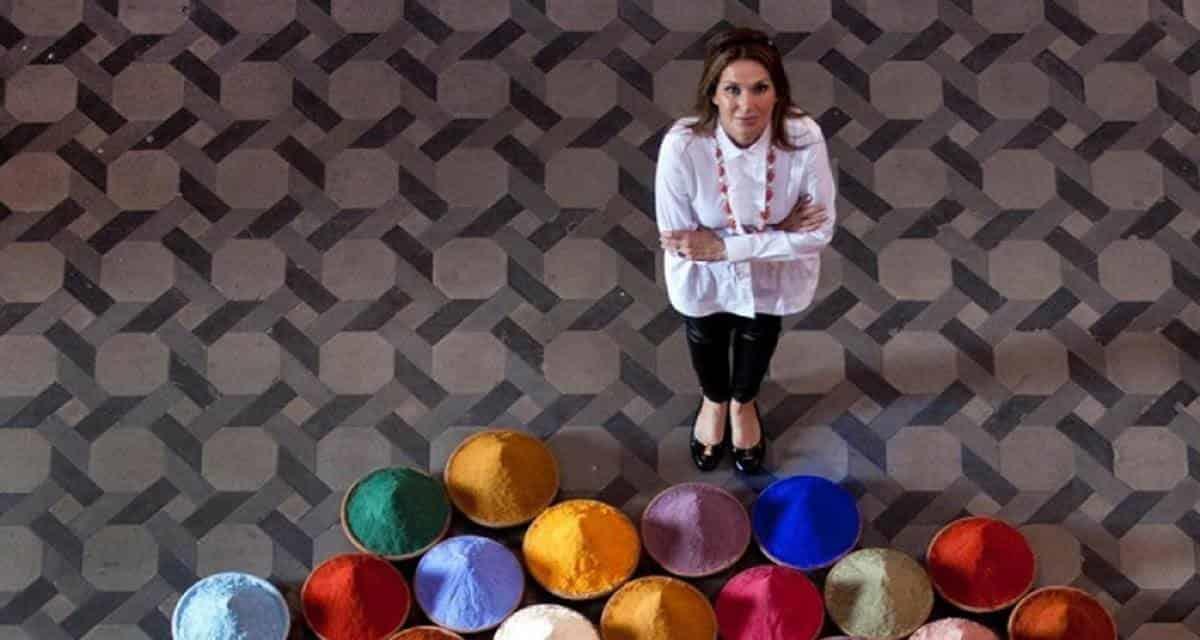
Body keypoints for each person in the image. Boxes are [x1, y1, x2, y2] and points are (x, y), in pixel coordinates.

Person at [656, 27, 836, 473]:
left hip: (769, 277)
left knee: (760, 332)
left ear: (778, 92)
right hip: (703, 277)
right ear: (713, 94)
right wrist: (777, 231)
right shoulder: (682, 145)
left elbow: (818, 233)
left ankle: (743, 402)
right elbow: (680, 239)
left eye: (760, 88)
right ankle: (714, 400)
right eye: (732, 89)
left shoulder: (804, 136)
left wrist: (722, 246)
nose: (747, 105)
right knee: (704, 333)